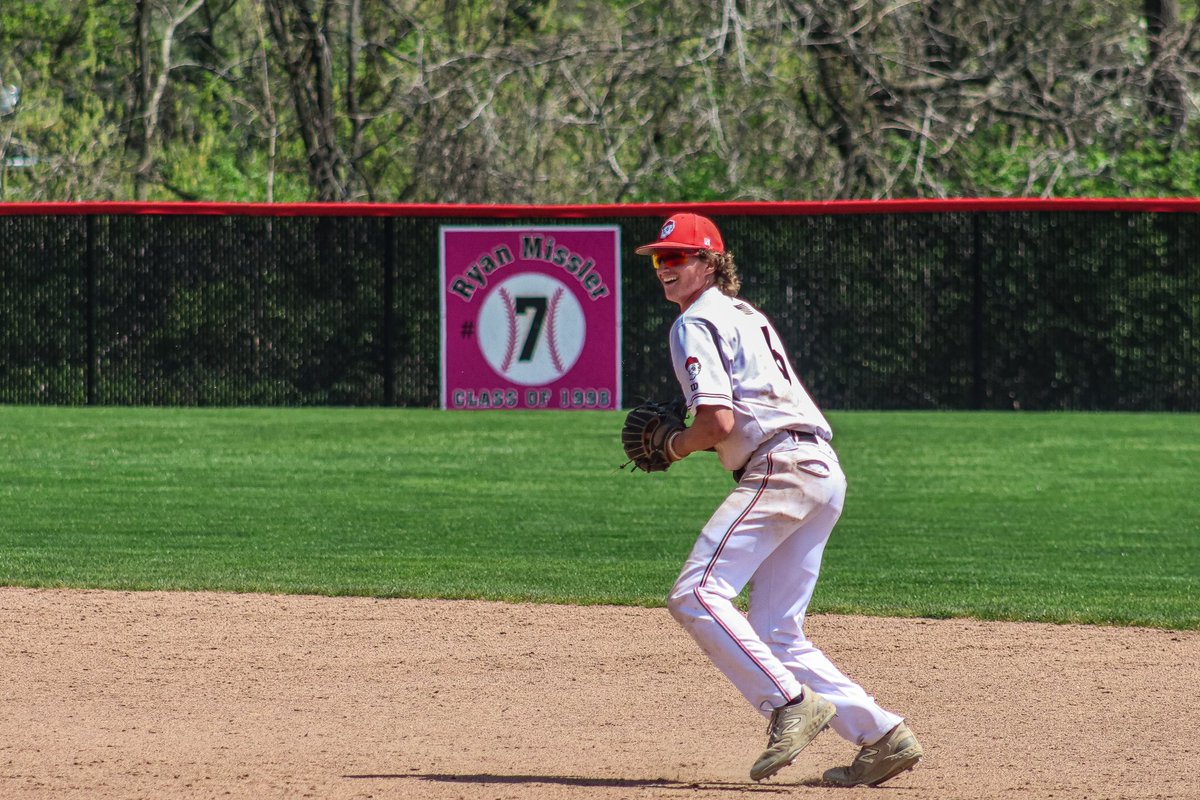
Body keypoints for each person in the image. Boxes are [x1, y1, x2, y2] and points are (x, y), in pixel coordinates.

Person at [635, 212, 923, 786]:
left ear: (711, 262)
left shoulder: (694, 322)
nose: (666, 268)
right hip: (819, 469)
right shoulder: (744, 313)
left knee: (696, 592)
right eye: (659, 259)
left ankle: (790, 704)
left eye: (679, 257)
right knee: (774, 631)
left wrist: (672, 445)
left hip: (781, 466)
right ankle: (883, 735)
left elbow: (715, 421)